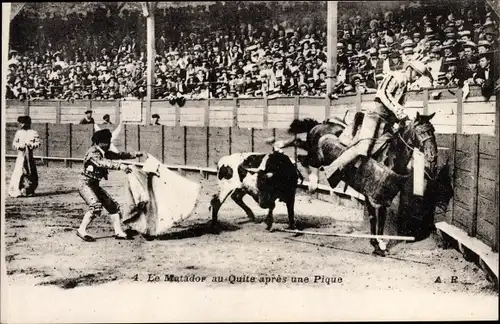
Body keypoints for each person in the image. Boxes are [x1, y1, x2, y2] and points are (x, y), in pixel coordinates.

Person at [322, 61, 432, 181]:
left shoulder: (406, 85)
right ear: (410, 69)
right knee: (363, 147)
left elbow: (399, 105)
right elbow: (383, 93)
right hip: (374, 116)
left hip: (388, 121)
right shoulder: (395, 76)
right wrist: (398, 111)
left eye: (420, 76)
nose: (417, 78)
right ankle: (331, 169)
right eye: (417, 74)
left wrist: (400, 119)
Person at [77, 129, 143, 242]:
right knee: (95, 207)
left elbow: (118, 155)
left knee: (112, 206)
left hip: (94, 185)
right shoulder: (93, 152)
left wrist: (134, 154)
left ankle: (118, 232)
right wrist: (121, 167)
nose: (108, 144)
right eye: (106, 141)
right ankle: (81, 230)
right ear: (99, 142)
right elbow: (103, 163)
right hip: (85, 184)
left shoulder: (102, 152)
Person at [8, 116, 40, 197]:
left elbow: (38, 143)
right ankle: (16, 191)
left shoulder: (33, 132)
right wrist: (19, 146)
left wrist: (31, 145)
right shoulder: (19, 133)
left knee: (31, 173)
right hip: (21, 156)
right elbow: (14, 144)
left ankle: (29, 190)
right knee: (19, 172)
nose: (21, 124)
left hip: (29, 156)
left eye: (23, 123)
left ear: (28, 123)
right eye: (21, 123)